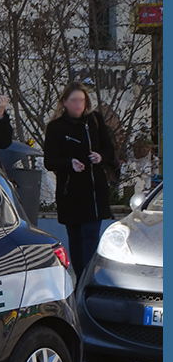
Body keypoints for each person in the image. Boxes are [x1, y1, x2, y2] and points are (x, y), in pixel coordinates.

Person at [43, 82, 118, 279]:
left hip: (94, 192)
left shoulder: (95, 121)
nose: (78, 105)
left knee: (90, 237)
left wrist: (100, 157)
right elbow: (50, 161)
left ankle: (88, 280)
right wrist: (70, 163)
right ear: (65, 103)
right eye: (74, 101)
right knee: (75, 240)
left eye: (82, 101)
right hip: (71, 193)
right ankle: (81, 281)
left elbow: (109, 149)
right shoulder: (56, 127)